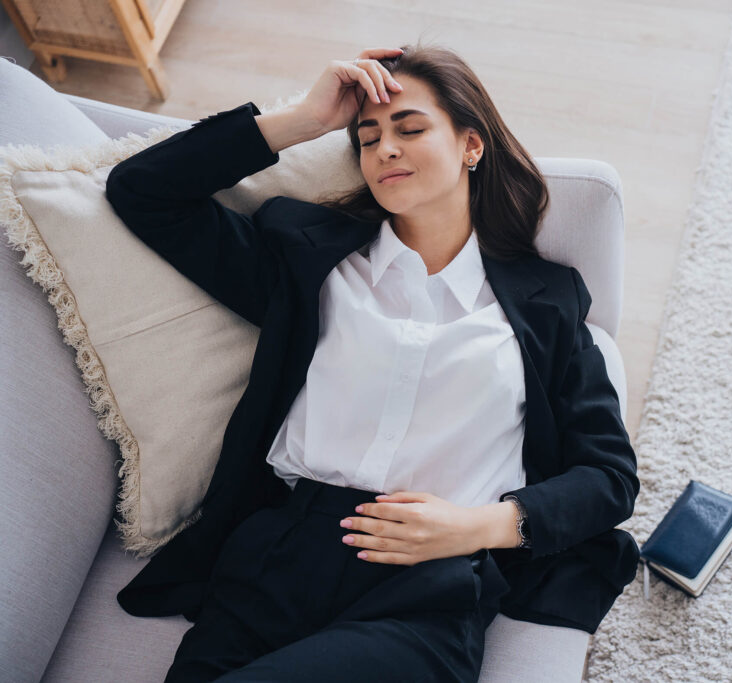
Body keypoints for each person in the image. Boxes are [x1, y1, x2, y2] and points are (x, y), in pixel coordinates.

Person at [105, 42, 640, 682]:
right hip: (274, 562)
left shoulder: (545, 300)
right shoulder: (308, 259)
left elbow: (608, 477)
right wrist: (304, 120)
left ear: (472, 146)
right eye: (367, 137)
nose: (385, 148)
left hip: (423, 587)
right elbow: (141, 191)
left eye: (410, 129)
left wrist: (479, 527)